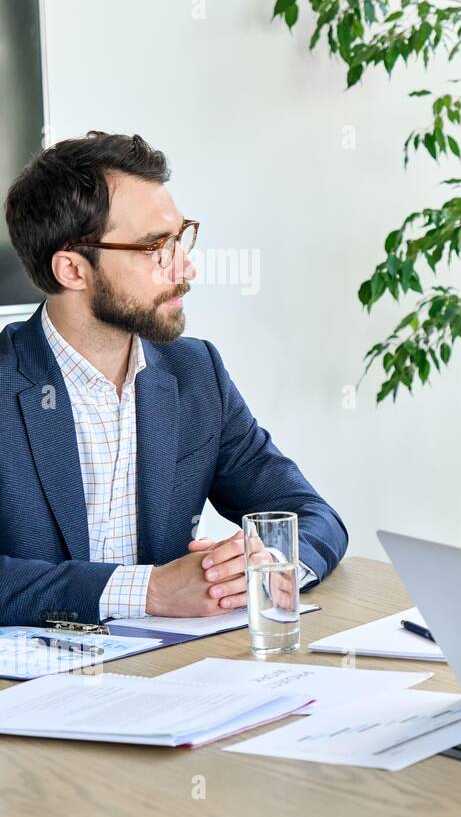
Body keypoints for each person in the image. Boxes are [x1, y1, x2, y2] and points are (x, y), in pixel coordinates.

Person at [0, 131, 347, 626]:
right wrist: (150, 590)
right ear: (73, 270)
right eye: (153, 248)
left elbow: (308, 513)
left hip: (174, 672)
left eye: (179, 239)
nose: (185, 267)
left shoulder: (195, 372)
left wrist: (269, 565)